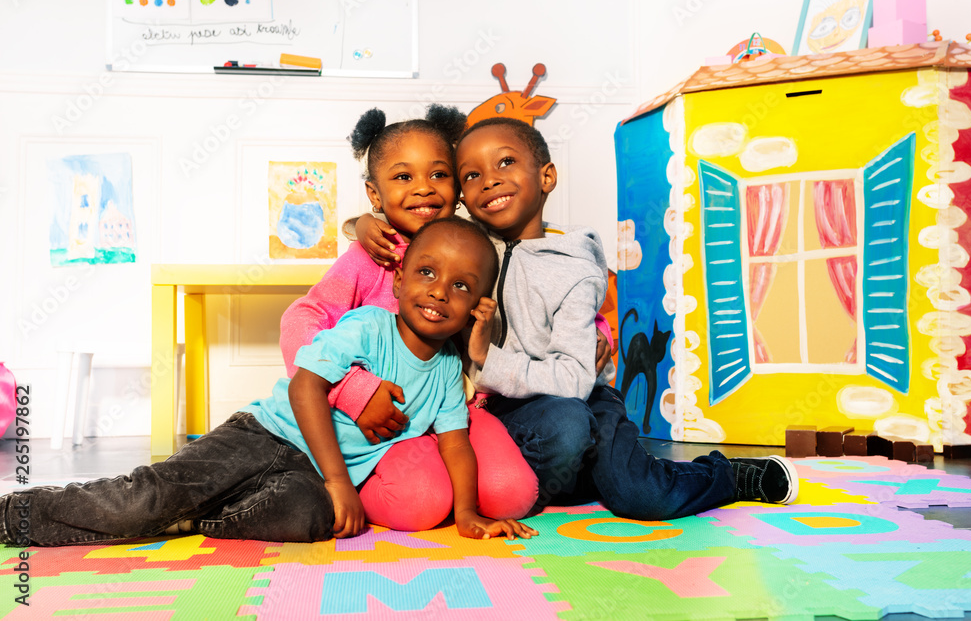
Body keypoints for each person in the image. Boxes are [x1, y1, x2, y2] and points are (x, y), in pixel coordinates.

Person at [0, 218, 537, 547]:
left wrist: (466, 514)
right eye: (426, 272)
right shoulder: (368, 327)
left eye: (460, 285)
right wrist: (339, 480)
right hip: (264, 436)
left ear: (477, 307)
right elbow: (306, 388)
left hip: (307, 477)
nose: (440, 291)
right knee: (147, 498)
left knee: (313, 521)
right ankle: (13, 515)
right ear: (397, 279)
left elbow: (455, 442)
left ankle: (191, 519)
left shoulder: (446, 370)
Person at [361, 116, 799, 519]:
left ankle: (729, 475)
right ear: (462, 195)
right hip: (504, 408)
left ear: (547, 176)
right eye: (472, 175)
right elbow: (412, 222)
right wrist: (364, 222)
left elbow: (574, 379)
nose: (489, 181)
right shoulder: (469, 247)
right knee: (546, 465)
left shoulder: (573, 267)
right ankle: (582, 470)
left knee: (641, 495)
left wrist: (485, 357)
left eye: (506, 163)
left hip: (581, 397)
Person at [280, 106, 538, 529]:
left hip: (455, 409)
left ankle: (445, 481)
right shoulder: (369, 257)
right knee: (419, 504)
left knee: (513, 495)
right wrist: (353, 390)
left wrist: (597, 326)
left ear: (457, 186)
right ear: (375, 195)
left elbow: (537, 277)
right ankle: (356, 480)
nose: (423, 189)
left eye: (438, 175)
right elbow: (301, 320)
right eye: (404, 177)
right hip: (388, 419)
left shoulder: (478, 243)